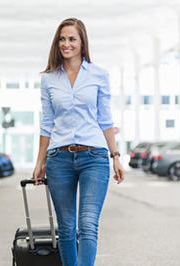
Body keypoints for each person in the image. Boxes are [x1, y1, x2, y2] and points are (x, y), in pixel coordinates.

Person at [32, 18, 125, 266]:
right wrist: (40, 161)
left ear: (82, 43)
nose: (66, 44)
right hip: (58, 159)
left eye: (72, 38)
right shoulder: (49, 78)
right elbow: (47, 122)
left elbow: (105, 119)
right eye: (62, 39)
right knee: (66, 227)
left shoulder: (98, 75)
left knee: (87, 223)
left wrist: (115, 156)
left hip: (94, 157)